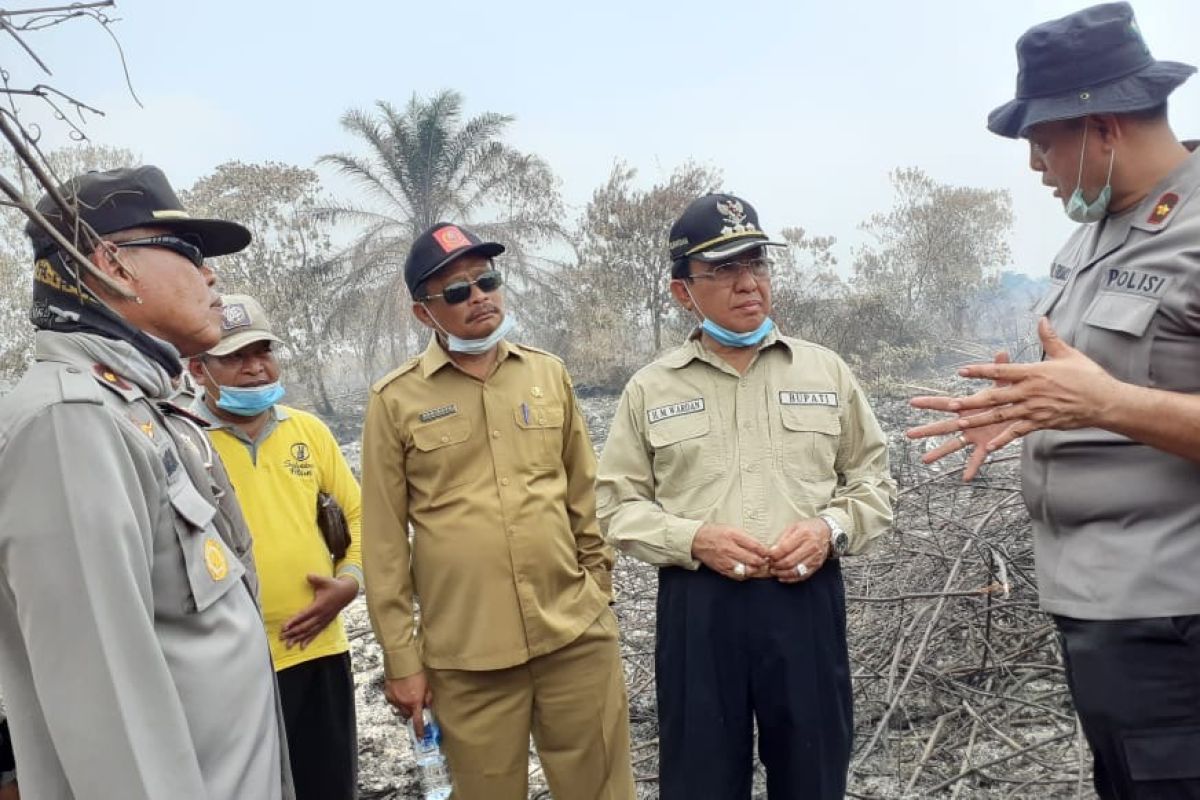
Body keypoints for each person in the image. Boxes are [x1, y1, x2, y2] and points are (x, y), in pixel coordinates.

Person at [906, 4, 1200, 797]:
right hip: (1100, 613)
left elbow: (1109, 399)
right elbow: (1092, 387)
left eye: (1043, 142)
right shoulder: (1096, 233)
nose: (1037, 165)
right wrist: (1030, 406)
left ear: (1102, 127)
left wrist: (1106, 405)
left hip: (1176, 618)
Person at [0, 166, 292, 798]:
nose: (211, 276)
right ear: (113, 264)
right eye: (190, 254)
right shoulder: (69, 424)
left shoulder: (141, 407)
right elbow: (109, 710)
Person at [596, 193, 895, 799]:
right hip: (700, 608)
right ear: (684, 292)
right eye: (725, 270)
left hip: (804, 601)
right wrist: (692, 538)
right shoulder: (650, 389)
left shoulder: (825, 372)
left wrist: (829, 530)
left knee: (812, 777)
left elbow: (874, 482)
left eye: (757, 264)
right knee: (701, 781)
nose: (747, 284)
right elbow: (616, 507)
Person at [361, 222, 635, 800]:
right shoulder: (396, 400)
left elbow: (583, 492)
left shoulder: (546, 374)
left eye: (486, 280)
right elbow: (385, 543)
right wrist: (401, 657)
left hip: (574, 636)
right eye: (456, 291)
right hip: (468, 659)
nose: (479, 296)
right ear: (423, 313)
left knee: (603, 790)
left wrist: (598, 588)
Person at [187, 293, 362, 800]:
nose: (255, 367)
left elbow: (358, 515)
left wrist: (349, 583)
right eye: (235, 357)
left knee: (329, 787)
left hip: (321, 651)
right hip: (234, 664)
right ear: (199, 369)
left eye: (262, 351)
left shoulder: (308, 431)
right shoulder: (184, 439)